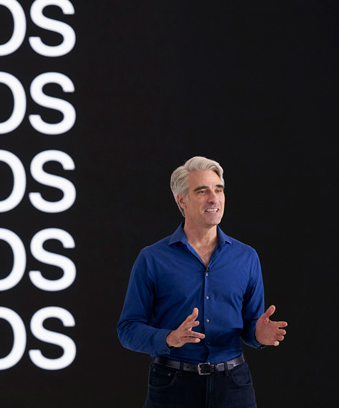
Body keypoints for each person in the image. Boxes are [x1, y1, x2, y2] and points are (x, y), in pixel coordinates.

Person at [117, 156, 288, 408]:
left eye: (218, 189)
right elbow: (127, 329)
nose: (214, 198)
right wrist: (169, 338)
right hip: (172, 385)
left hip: (233, 385)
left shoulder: (246, 257)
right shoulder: (152, 258)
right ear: (182, 201)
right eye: (202, 191)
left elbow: (250, 327)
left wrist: (258, 334)